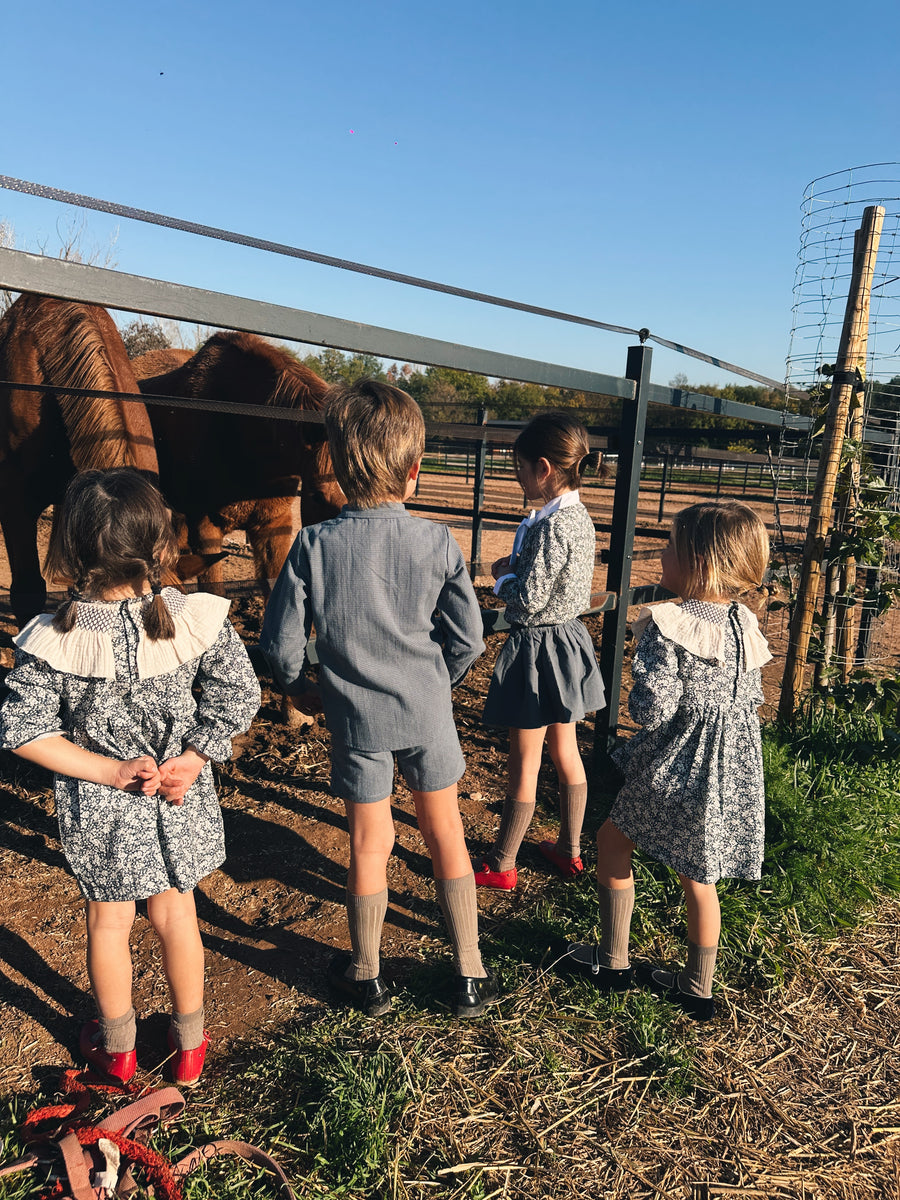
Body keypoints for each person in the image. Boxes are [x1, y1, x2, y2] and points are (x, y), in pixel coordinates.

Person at [0, 468, 260, 1084]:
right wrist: (194, 758)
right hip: (181, 796)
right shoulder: (194, 619)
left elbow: (23, 731)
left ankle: (116, 1053)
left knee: (108, 921)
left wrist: (108, 770)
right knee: (179, 915)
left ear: (68, 545)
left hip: (101, 809)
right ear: (162, 545)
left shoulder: (53, 637)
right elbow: (238, 695)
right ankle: (190, 1050)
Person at [259, 378, 499, 1018]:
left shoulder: (313, 546)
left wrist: (302, 688)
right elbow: (469, 638)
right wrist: (435, 684)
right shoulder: (439, 543)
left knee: (370, 841)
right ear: (415, 471)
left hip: (355, 720)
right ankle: (469, 972)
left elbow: (280, 645)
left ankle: (366, 973)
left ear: (334, 466)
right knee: (445, 829)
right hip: (428, 712)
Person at [562, 500, 771, 1020]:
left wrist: (637, 683)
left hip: (675, 764)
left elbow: (654, 710)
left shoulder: (667, 623)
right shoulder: (744, 622)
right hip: (728, 773)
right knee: (699, 877)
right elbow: (750, 698)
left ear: (700, 563)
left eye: (672, 548)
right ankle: (697, 989)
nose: (663, 557)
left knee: (612, 841)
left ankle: (612, 963)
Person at [474, 411, 606, 890]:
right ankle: (570, 851)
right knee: (566, 749)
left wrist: (502, 577)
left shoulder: (549, 526)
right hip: (569, 641)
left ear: (544, 468)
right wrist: (519, 563)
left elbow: (528, 599)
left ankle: (502, 863)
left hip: (536, 648)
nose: (518, 477)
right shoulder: (579, 515)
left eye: (520, 468)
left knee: (525, 760)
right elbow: (557, 578)